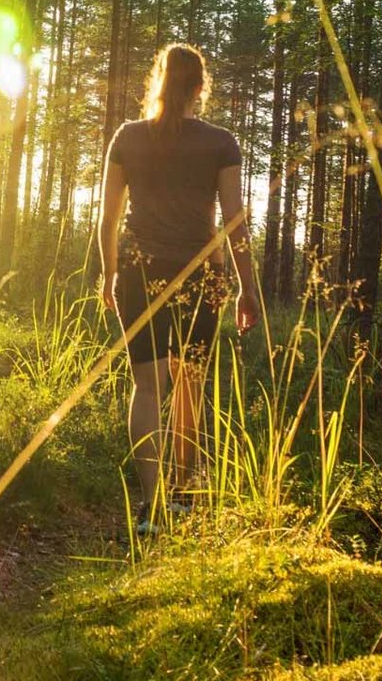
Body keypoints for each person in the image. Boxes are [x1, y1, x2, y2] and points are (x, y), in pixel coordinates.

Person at [97, 42, 260, 536]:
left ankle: (151, 507)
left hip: (139, 274)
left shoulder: (127, 136)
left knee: (147, 386)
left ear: (159, 82)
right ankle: (184, 496)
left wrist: (109, 274)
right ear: (199, 88)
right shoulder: (220, 143)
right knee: (190, 382)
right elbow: (234, 220)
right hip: (201, 276)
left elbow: (106, 218)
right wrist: (246, 288)